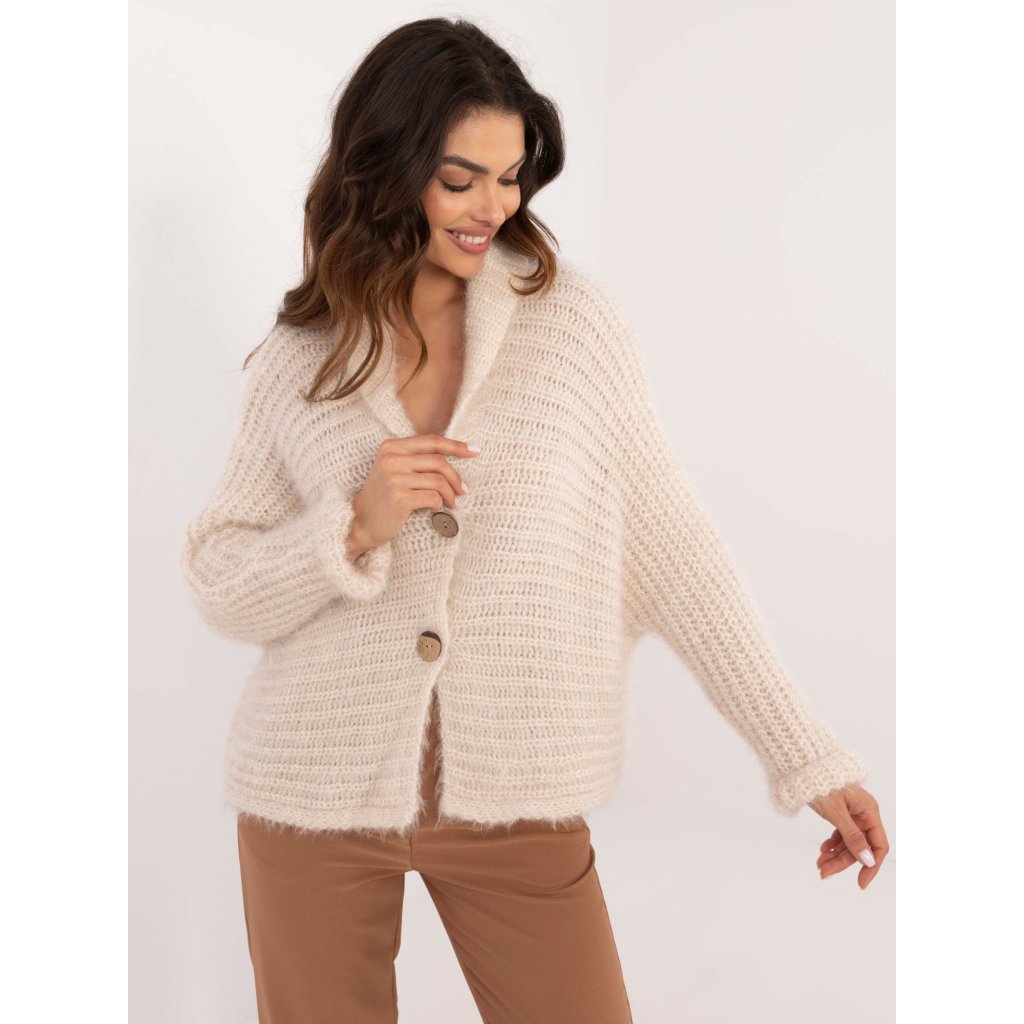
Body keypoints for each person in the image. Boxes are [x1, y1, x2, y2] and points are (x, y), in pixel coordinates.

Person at [179, 16, 889, 1024]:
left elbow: (678, 552)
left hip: (514, 799)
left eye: (511, 178)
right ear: (385, 171)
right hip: (310, 789)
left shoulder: (571, 330)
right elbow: (220, 576)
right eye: (459, 179)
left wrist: (806, 756)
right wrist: (353, 527)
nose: (493, 208)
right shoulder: (304, 356)